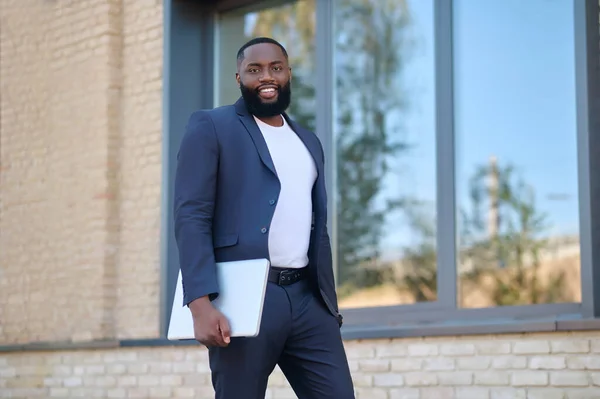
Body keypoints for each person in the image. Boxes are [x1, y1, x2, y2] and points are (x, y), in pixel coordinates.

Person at [173, 36, 355, 399]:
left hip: (308, 300)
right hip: (244, 296)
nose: (266, 76)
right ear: (238, 77)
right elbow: (192, 214)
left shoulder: (309, 142)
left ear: (289, 74)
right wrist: (199, 303)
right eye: (254, 70)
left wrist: (329, 305)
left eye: (276, 68)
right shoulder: (212, 125)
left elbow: (318, 230)